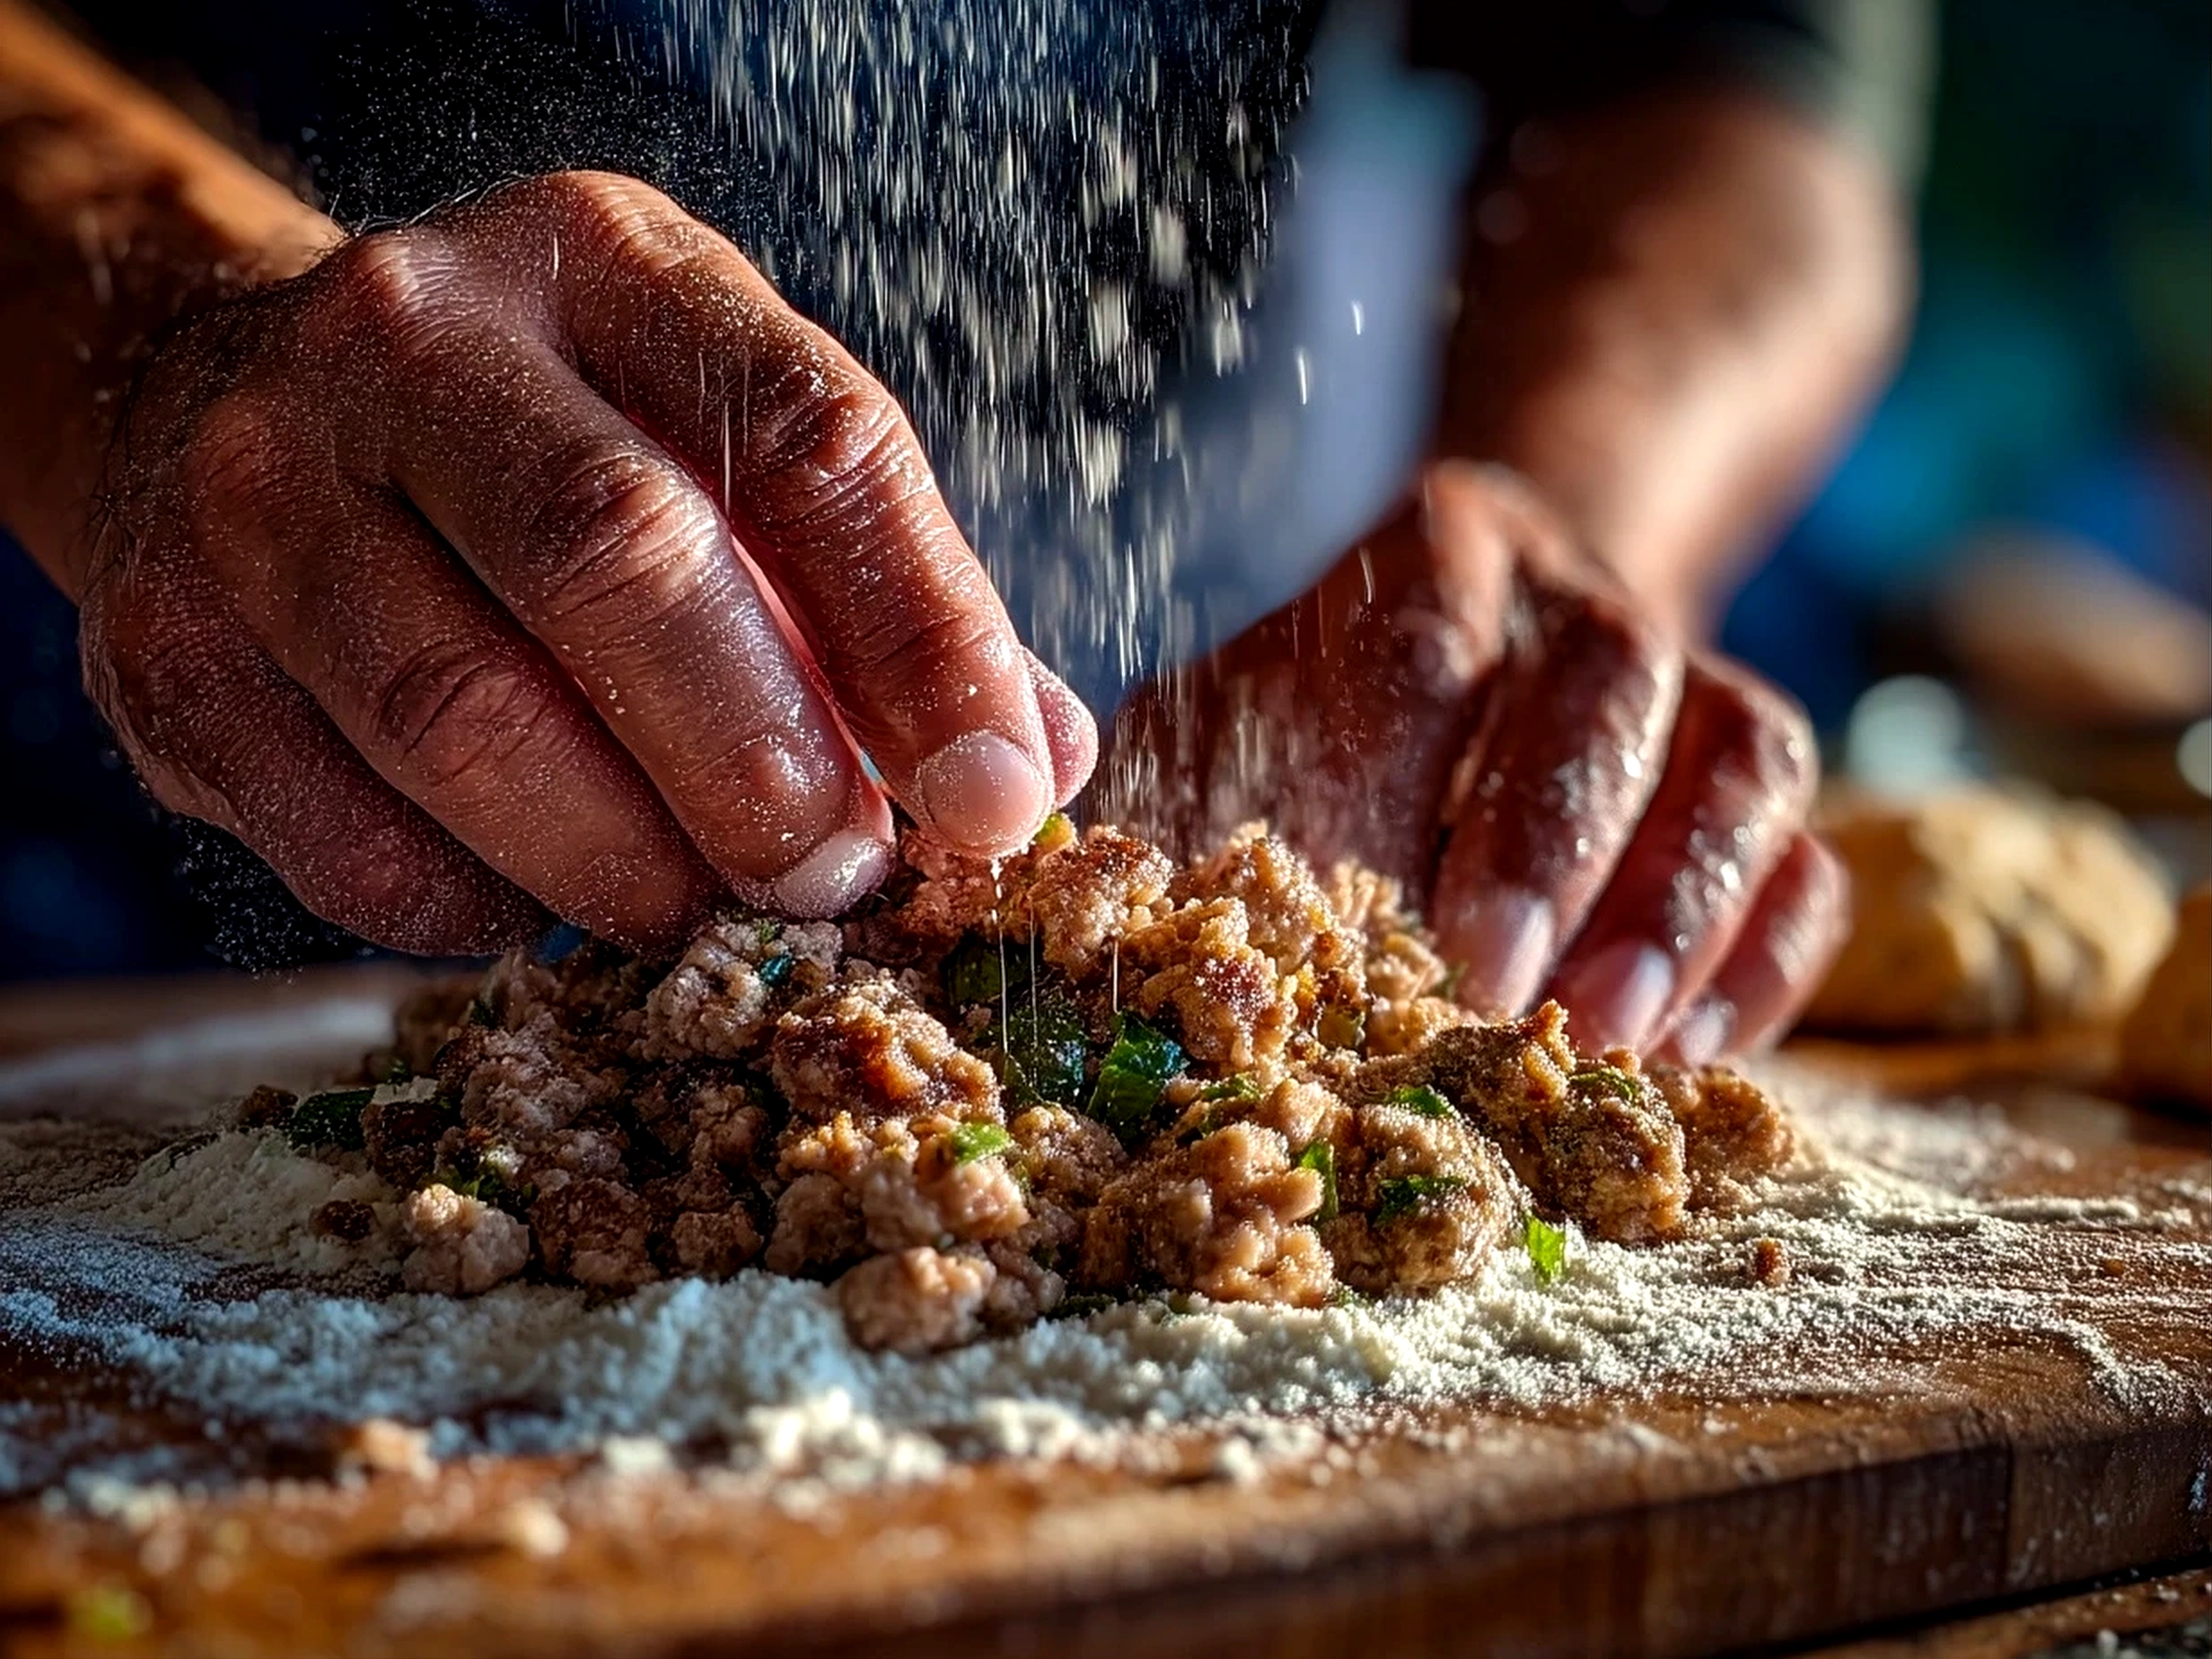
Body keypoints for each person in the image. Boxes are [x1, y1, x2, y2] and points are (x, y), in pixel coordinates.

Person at [0, 0, 1921, 1064]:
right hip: (102, 905)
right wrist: (169, 333)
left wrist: (1573, 509)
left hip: (1198, 692)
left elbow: (1742, 85)